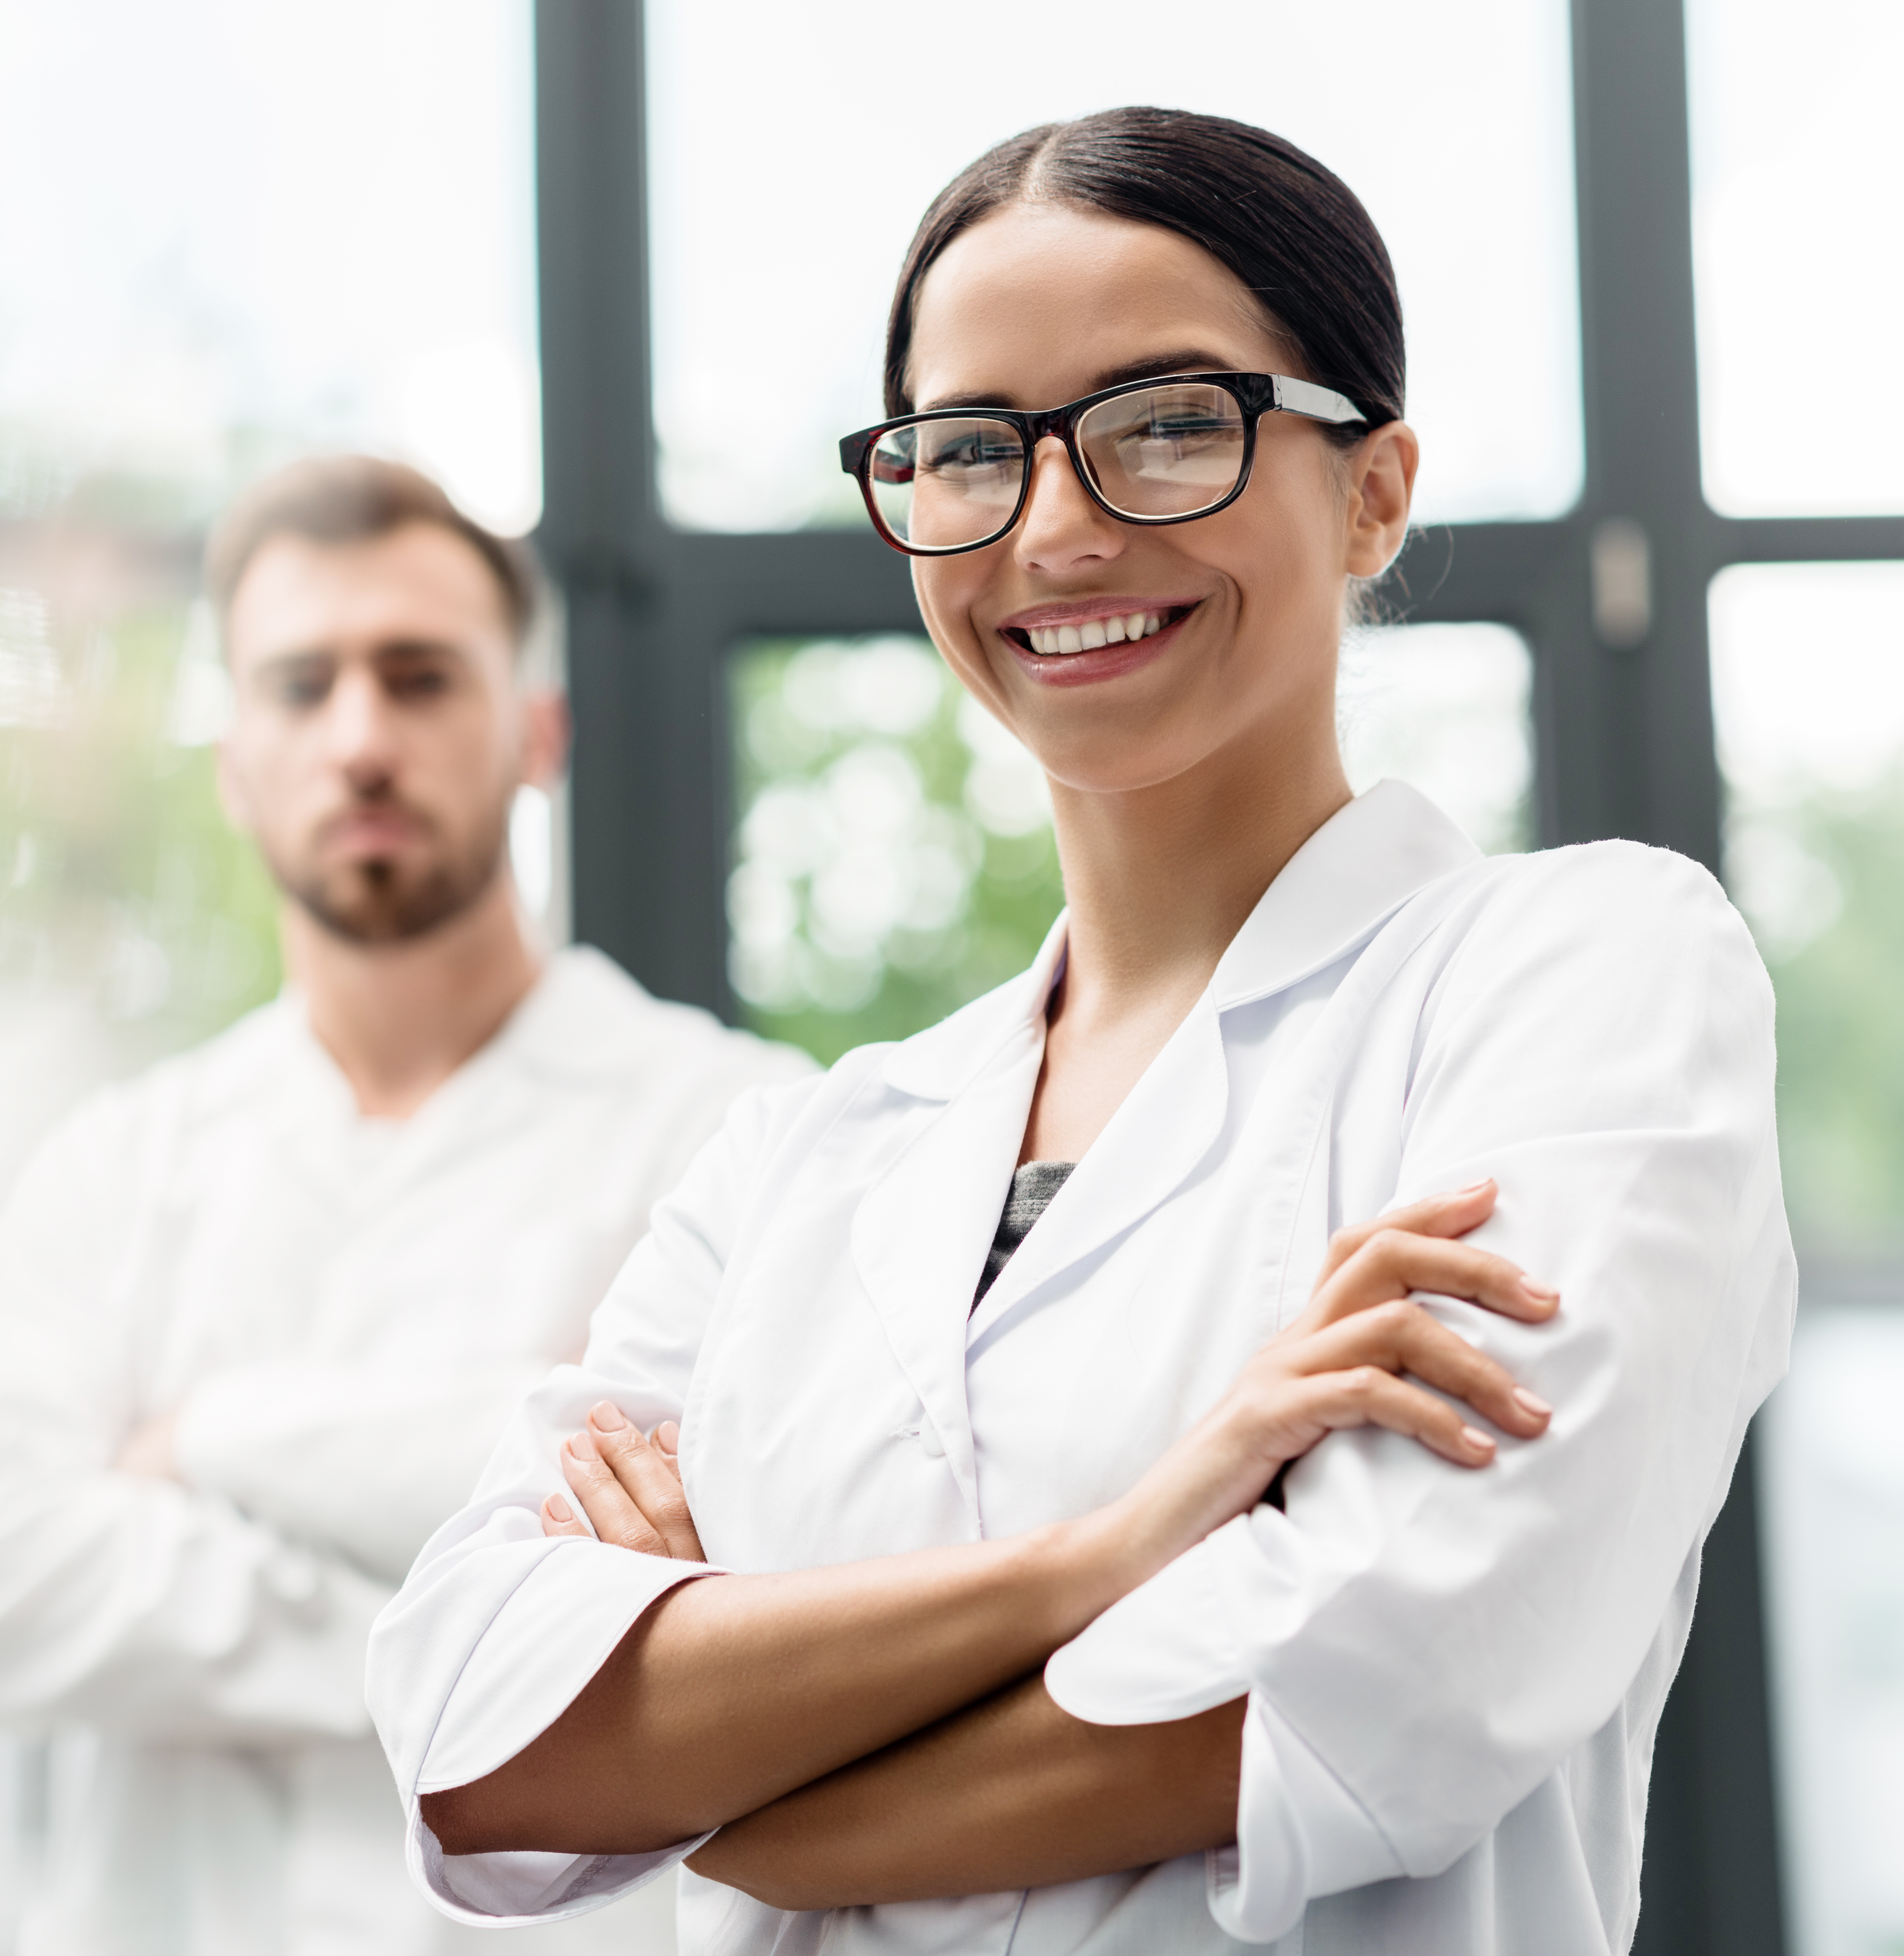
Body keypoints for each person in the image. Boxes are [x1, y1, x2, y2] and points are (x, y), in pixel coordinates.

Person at [369, 108, 1793, 1955]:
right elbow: (479, 1738)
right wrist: (1115, 1551)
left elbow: (1398, 1680)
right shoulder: (803, 1156)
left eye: (1167, 427)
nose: (1055, 527)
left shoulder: (1580, 979)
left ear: (1372, 488)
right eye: (967, 451)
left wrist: (750, 1783)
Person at [0, 455, 812, 1956]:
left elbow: (772, 1566)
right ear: (235, 763)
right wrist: (496, 1639)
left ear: (535, 736)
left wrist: (210, 1444)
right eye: (303, 685)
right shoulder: (118, 1165)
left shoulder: (735, 1129)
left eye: (421, 677)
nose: (362, 737)